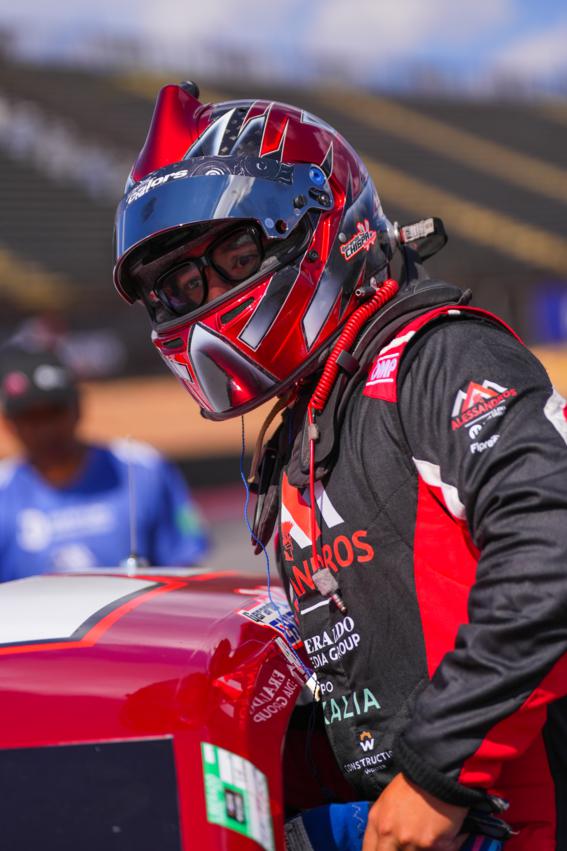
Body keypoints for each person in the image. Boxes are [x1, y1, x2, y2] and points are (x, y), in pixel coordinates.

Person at [112, 82, 567, 850]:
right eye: (182, 285)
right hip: (406, 812)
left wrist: (436, 772)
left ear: (320, 221)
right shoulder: (310, 419)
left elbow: (550, 544)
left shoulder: (433, 356)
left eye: (234, 255)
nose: (207, 295)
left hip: (503, 813)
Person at [0, 347, 209, 578]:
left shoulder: (141, 469)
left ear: (78, 408)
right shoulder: (3, 491)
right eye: (30, 418)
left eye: (54, 413)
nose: (45, 430)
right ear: (9, 423)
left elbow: (185, 565)